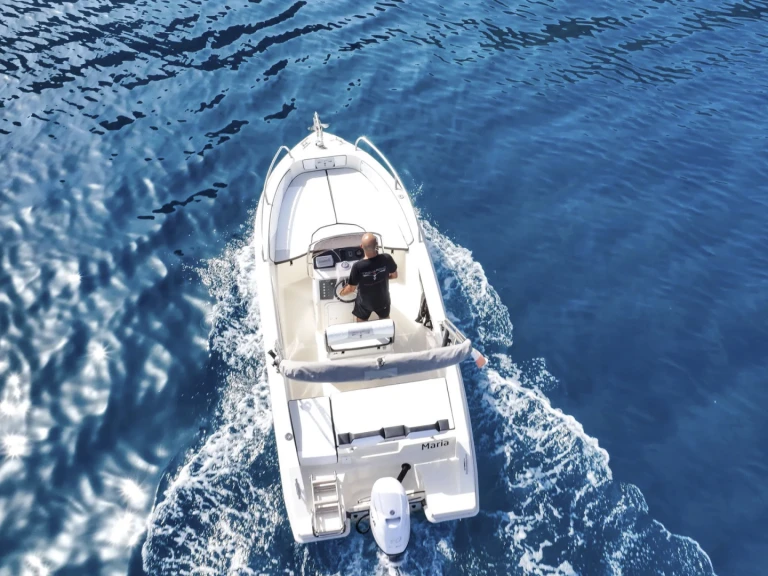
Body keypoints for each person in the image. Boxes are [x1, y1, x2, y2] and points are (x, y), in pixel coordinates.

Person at [339, 233, 398, 321]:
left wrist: (341, 293)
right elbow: (394, 275)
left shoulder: (357, 266)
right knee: (385, 322)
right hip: (383, 301)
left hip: (364, 304)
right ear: (376, 245)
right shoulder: (387, 258)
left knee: (361, 326)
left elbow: (351, 289)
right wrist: (383, 276)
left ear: (361, 246)